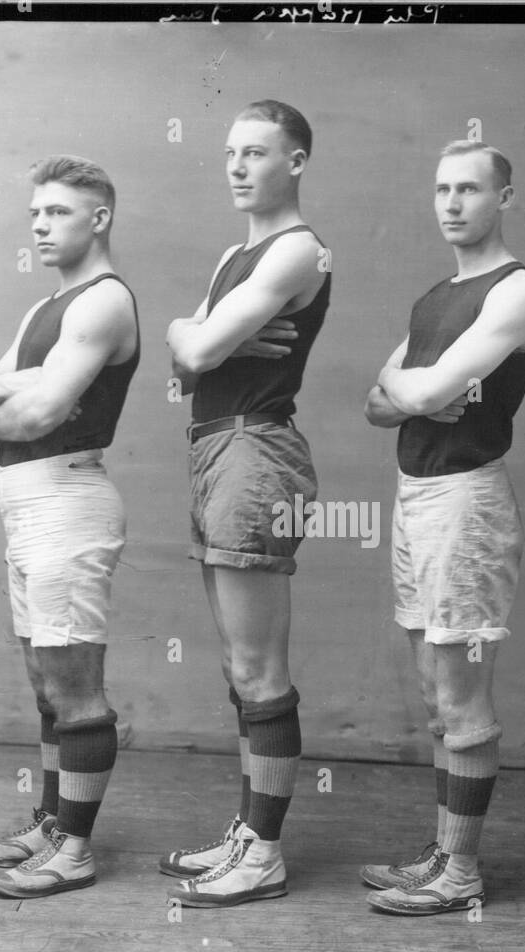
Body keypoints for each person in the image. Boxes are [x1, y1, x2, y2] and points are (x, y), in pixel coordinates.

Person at [360, 140, 525, 915]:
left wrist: (413, 389)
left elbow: (422, 385)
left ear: (504, 197)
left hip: (467, 502)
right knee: (437, 694)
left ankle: (462, 870)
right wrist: (414, 391)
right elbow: (377, 401)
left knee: (462, 695)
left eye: (469, 189)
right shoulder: (435, 296)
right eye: (442, 189)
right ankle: (445, 852)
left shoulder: (517, 289)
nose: (452, 203)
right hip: (416, 495)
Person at [161, 100, 330, 908]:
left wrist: (196, 334)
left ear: (295, 162)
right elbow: (185, 369)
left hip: (256, 452)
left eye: (255, 152)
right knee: (239, 663)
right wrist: (195, 336)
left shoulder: (298, 252)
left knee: (260, 665)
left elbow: (193, 350)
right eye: (230, 152)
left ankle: (265, 851)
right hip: (215, 447)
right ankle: (247, 830)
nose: (235, 166)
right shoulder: (240, 253)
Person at [0, 155, 139, 898]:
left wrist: (9, 400)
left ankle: (75, 846)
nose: (40, 225)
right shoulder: (46, 307)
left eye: (58, 212)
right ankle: (50, 820)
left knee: (74, 683)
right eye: (35, 212)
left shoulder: (101, 302)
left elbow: (28, 413)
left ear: (97, 218)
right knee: (44, 681)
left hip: (68, 499)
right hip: (25, 499)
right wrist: (9, 397)